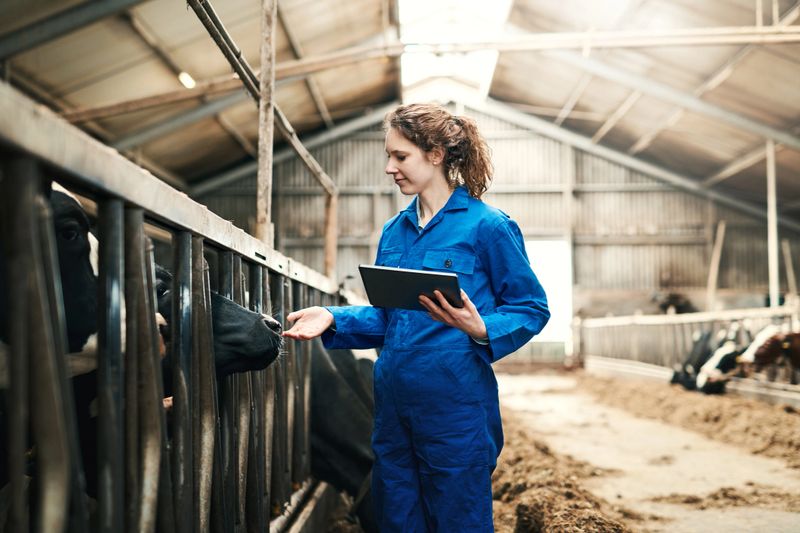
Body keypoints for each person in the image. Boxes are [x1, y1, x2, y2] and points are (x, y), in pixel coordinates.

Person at [283, 103, 549, 532]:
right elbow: (392, 321)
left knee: (458, 521)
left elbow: (531, 306)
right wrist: (333, 318)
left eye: (400, 156)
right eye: (389, 156)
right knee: (398, 522)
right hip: (393, 409)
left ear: (437, 155)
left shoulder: (487, 226)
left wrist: (483, 329)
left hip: (454, 408)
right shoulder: (394, 231)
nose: (390, 168)